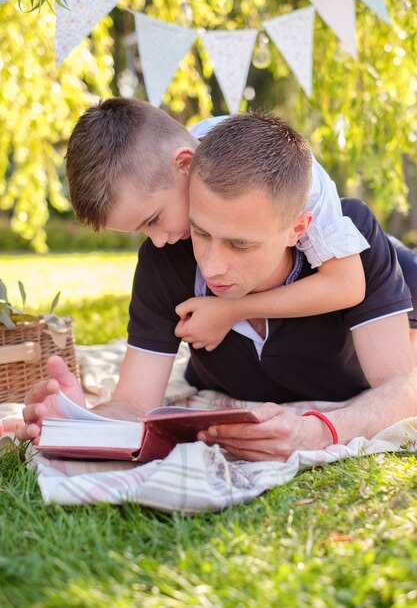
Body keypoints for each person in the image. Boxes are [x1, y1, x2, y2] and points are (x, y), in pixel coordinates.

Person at [16, 111, 417, 461]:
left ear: (297, 229)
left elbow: (402, 387)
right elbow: (133, 404)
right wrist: (80, 419)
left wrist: (314, 431)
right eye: (200, 232)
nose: (212, 265)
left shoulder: (343, 235)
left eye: (239, 244)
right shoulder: (167, 254)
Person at [66, 98, 369, 352]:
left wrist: (233, 310)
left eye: (154, 220)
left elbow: (346, 284)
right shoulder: (164, 165)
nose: (157, 241)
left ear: (185, 164)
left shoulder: (285, 179)